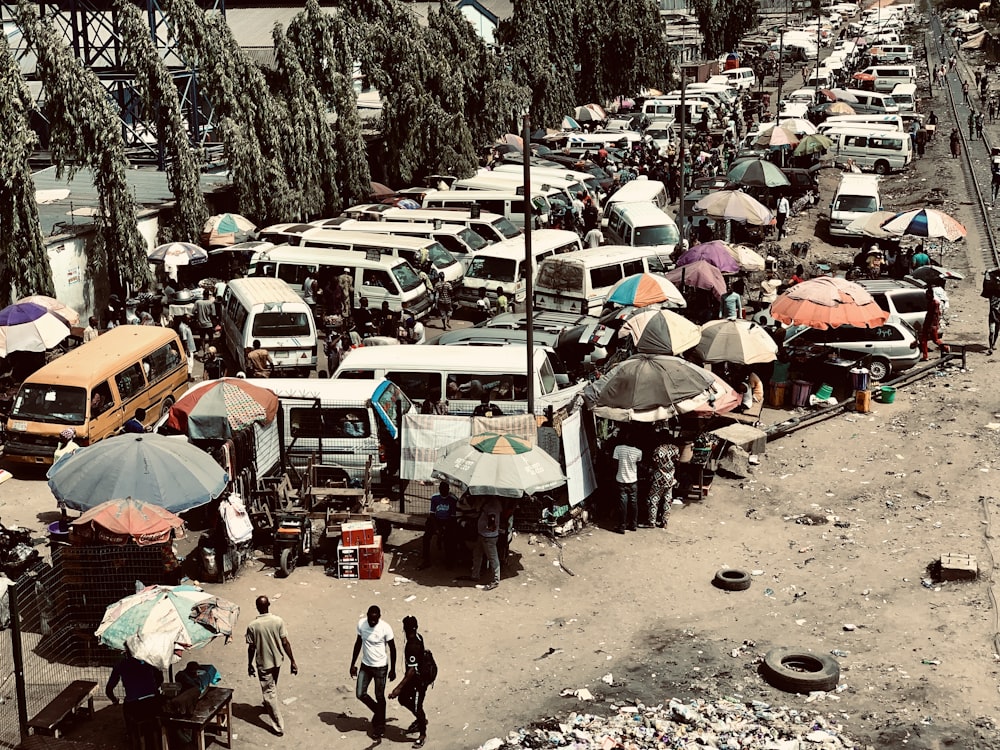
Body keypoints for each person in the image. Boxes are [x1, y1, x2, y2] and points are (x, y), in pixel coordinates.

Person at [247, 595, 297, 736]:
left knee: (269, 692)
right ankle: (267, 704)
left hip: (264, 663)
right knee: (271, 686)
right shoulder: (278, 621)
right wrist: (292, 661)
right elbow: (285, 642)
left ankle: (278, 726)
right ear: (269, 605)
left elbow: (251, 648)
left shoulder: (252, 626)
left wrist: (249, 663)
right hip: (277, 661)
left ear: (257, 607)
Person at [350, 605, 397, 740]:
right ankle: (379, 711)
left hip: (381, 667)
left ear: (379, 618)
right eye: (370, 619)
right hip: (365, 665)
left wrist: (393, 669)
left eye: (374, 620)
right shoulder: (361, 624)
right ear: (367, 616)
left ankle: (380, 726)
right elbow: (358, 643)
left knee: (379, 695)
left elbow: (393, 649)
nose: (372, 622)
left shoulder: (385, 628)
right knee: (360, 693)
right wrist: (352, 664)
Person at [106, 642, 163, 750]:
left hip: (134, 704)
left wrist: (114, 700)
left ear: (126, 651)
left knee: (128, 711)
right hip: (153, 703)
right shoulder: (149, 661)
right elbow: (160, 679)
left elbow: (109, 690)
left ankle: (131, 735)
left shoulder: (120, 665)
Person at [388, 616, 428, 748]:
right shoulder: (419, 637)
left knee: (417, 706)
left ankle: (422, 734)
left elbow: (411, 671)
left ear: (404, 628)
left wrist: (398, 688)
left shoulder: (411, 646)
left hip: (419, 681)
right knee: (403, 699)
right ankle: (420, 718)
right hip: (416, 678)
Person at [467, 496, 503, 590]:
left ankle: (495, 580)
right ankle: (475, 575)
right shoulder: (492, 503)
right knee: (477, 554)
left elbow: (492, 519)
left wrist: (489, 526)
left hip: (488, 536)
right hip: (483, 535)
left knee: (492, 558)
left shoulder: (492, 505)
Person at [421, 481, 458, 569]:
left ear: (448, 490)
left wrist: (444, 528)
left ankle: (449, 560)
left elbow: (453, 517)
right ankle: (426, 560)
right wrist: (437, 528)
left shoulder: (453, 499)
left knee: (449, 538)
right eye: (442, 490)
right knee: (426, 537)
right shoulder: (435, 498)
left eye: (445, 490)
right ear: (439, 489)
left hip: (448, 521)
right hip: (436, 520)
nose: (443, 491)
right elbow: (432, 515)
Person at [646, 440, 679, 529]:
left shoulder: (658, 450)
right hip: (670, 479)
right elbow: (677, 461)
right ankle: (665, 522)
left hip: (659, 479)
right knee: (667, 500)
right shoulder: (675, 449)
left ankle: (652, 521)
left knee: (653, 500)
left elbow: (654, 463)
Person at [612, 435, 642, 534]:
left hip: (621, 480)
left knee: (622, 504)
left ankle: (622, 526)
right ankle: (633, 525)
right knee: (633, 503)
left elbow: (615, 464)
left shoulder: (618, 448)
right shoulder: (638, 452)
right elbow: (638, 464)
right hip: (633, 480)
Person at [920, 287, 949, 361]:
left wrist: (931, 325)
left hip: (931, 325)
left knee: (931, 340)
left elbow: (935, 315)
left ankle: (945, 348)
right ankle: (926, 355)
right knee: (927, 340)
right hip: (930, 324)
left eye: (927, 294)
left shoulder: (934, 303)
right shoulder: (931, 302)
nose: (926, 296)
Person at [194, 289, 216, 354]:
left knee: (202, 339)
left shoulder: (198, 302)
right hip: (209, 324)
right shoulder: (211, 303)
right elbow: (214, 314)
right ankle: (211, 351)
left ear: (203, 295)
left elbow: (193, 311)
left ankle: (204, 352)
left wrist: (198, 315)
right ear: (208, 295)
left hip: (201, 324)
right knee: (211, 339)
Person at [984, 268, 1000, 355]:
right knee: (992, 332)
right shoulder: (993, 298)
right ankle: (990, 346)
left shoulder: (993, 298)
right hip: (993, 317)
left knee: (996, 332)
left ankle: (992, 345)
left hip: (997, 317)